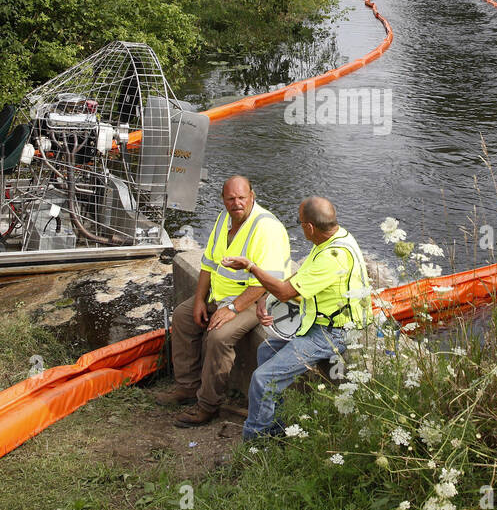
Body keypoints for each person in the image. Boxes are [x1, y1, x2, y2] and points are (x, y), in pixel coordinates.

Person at [223, 196, 372, 441]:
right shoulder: (335, 237)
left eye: (300, 222)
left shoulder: (331, 257)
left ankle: (255, 443)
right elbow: (297, 285)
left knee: (263, 378)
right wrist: (265, 298)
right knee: (266, 351)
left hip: (331, 333)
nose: (300, 226)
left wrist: (251, 267)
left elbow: (285, 291)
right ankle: (274, 426)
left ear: (309, 227)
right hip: (315, 324)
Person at [158, 175, 290, 428]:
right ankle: (187, 387)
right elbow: (208, 263)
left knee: (219, 336)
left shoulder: (266, 228)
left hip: (256, 300)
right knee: (184, 317)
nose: (236, 203)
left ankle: (208, 405)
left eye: (241, 198)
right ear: (223, 200)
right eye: (231, 199)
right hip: (221, 295)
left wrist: (232, 308)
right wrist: (199, 300)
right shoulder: (223, 219)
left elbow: (265, 282)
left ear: (252, 196)